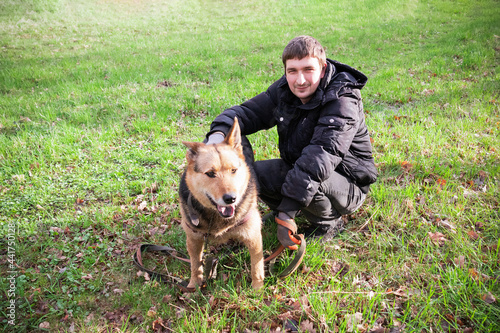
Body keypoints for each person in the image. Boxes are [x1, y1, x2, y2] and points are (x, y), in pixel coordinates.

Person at [205, 35, 377, 242]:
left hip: (347, 183)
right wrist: (217, 136)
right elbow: (245, 113)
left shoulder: (342, 101)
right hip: (302, 167)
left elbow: (319, 161)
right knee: (253, 174)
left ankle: (329, 224)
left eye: (308, 69)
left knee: (312, 178)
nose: (300, 80)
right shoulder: (285, 90)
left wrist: (287, 213)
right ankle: (286, 211)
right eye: (292, 71)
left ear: (322, 69)